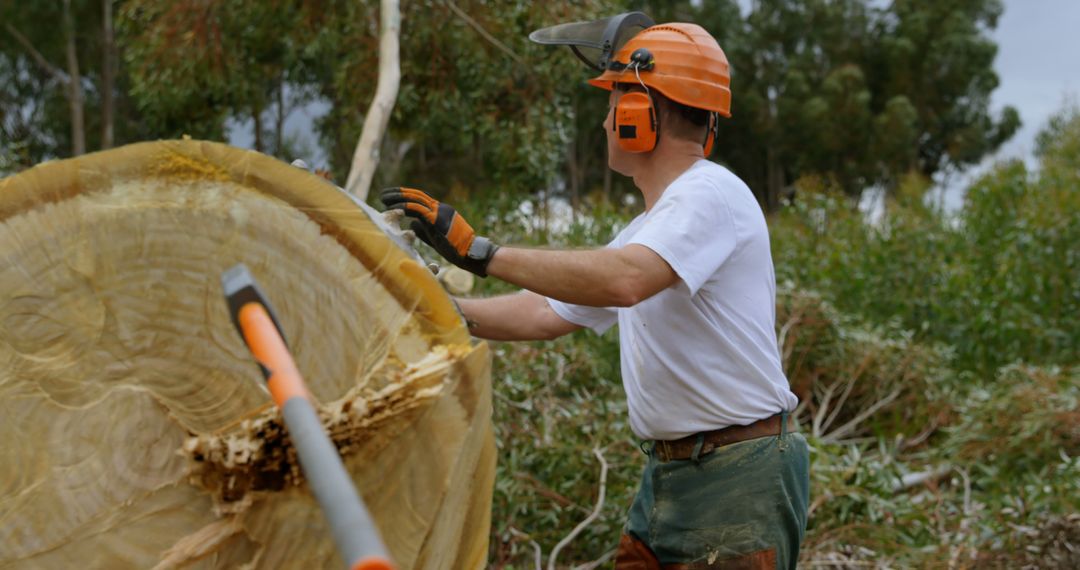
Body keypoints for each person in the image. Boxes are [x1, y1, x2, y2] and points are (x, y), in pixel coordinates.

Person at [380, 16, 809, 570]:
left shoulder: (710, 194)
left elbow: (624, 280)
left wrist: (480, 253)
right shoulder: (651, 228)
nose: (606, 123)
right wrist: (436, 310)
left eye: (613, 106)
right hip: (673, 473)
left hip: (736, 474)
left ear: (641, 115)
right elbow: (543, 313)